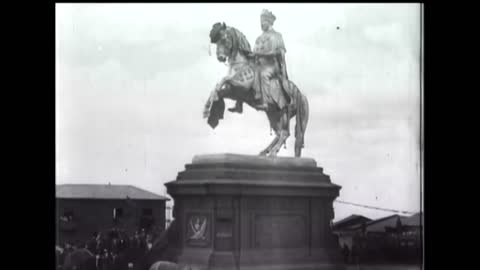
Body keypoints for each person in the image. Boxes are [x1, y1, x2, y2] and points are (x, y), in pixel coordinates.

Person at [228, 9, 291, 114]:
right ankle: (239, 104)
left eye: (263, 21)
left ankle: (265, 102)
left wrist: (261, 55)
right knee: (244, 71)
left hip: (272, 66)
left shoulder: (277, 36)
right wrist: (248, 54)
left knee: (263, 74)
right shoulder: (259, 38)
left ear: (269, 22)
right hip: (259, 64)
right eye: (261, 22)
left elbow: (279, 54)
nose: (261, 24)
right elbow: (255, 53)